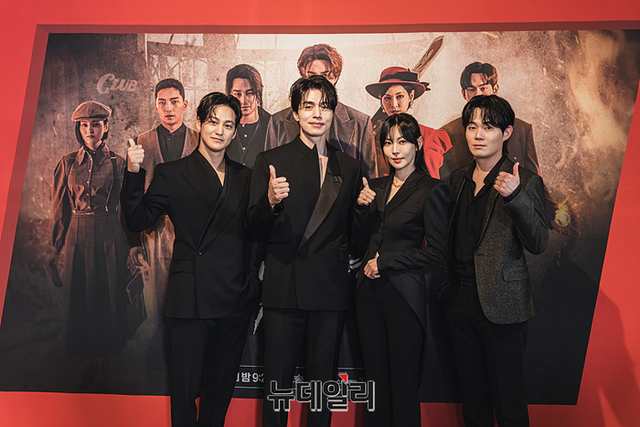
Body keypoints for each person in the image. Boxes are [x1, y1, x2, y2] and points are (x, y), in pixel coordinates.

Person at [121, 92, 254, 426]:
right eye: (213, 122)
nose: (219, 131)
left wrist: (251, 287)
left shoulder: (245, 176)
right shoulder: (172, 173)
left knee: (219, 393)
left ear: (235, 131)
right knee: (184, 391)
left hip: (234, 298)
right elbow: (137, 220)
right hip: (190, 297)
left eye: (228, 125)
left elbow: (255, 236)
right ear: (199, 123)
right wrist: (134, 172)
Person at [246, 75, 362, 427]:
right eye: (308, 106)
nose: (317, 114)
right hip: (284, 288)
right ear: (295, 113)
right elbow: (251, 228)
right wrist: (269, 201)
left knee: (322, 387)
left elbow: (355, 238)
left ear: (333, 112)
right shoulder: (271, 160)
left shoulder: (350, 167)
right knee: (278, 387)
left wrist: (363, 210)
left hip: (330, 290)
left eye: (324, 106)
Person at [442, 95, 549, 427]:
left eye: (488, 127)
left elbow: (538, 242)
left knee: (509, 404)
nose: (478, 135)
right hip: (459, 300)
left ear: (506, 132)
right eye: (472, 126)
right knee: (472, 402)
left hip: (502, 305)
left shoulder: (526, 181)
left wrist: (515, 197)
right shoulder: (457, 179)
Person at [354, 113, 451, 426]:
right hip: (367, 294)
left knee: (404, 384)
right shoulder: (375, 187)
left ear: (418, 144)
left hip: (404, 294)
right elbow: (357, 243)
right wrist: (360, 209)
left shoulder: (432, 189)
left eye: (403, 141)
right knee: (374, 383)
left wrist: (387, 261)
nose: (395, 150)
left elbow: (436, 251)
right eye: (388, 142)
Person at [51, 101, 131, 389]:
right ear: (78, 128)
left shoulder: (119, 163)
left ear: (106, 127)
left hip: (110, 232)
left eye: (95, 124)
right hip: (76, 232)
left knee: (107, 295)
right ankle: (87, 360)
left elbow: (126, 208)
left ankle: (106, 360)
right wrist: (55, 248)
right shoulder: (67, 163)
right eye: (84, 125)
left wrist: (132, 247)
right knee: (82, 295)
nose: (89, 130)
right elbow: (59, 209)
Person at [129, 78, 199, 324]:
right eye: (162, 102)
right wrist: (133, 242)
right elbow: (132, 195)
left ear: (185, 104)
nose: (169, 108)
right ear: (156, 106)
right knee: (157, 303)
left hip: (191, 232)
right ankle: (160, 348)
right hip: (154, 232)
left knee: (190, 299)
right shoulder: (142, 142)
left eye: (174, 101)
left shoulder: (200, 140)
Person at [265, 43, 376, 178]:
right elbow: (268, 173)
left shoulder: (361, 123)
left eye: (325, 75)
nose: (318, 82)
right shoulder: (278, 122)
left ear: (335, 77)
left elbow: (370, 180)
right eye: (312, 75)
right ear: (303, 77)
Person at [440, 62, 540, 180]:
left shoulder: (521, 130)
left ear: (495, 89)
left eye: (483, 88)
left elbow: (535, 182)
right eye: (471, 89)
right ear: (464, 94)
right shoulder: (448, 133)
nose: (478, 94)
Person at [366, 66, 452, 179]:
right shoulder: (373, 139)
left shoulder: (430, 136)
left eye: (400, 96)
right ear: (381, 101)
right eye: (387, 98)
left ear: (411, 97)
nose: (394, 104)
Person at [225, 64, 272, 168]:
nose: (243, 101)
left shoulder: (272, 125)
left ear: (258, 94)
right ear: (229, 94)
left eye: (249, 93)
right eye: (238, 94)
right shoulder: (222, 125)